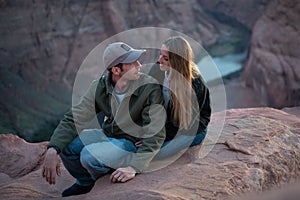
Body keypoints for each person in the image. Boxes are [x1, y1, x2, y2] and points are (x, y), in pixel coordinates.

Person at [42, 42, 166, 197]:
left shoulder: (149, 87)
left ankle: (107, 177)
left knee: (89, 156)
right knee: (66, 147)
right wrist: (53, 149)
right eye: (132, 62)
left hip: (130, 143)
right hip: (109, 135)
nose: (139, 65)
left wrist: (135, 167)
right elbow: (75, 118)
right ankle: (85, 182)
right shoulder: (99, 86)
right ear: (116, 70)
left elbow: (156, 131)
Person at [148, 36, 211, 162]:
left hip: (190, 130)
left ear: (177, 61)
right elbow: (148, 103)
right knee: (140, 146)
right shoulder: (157, 70)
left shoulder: (195, 83)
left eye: (165, 58)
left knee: (156, 154)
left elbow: (193, 122)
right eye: (160, 55)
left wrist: (158, 138)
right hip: (164, 127)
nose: (159, 60)